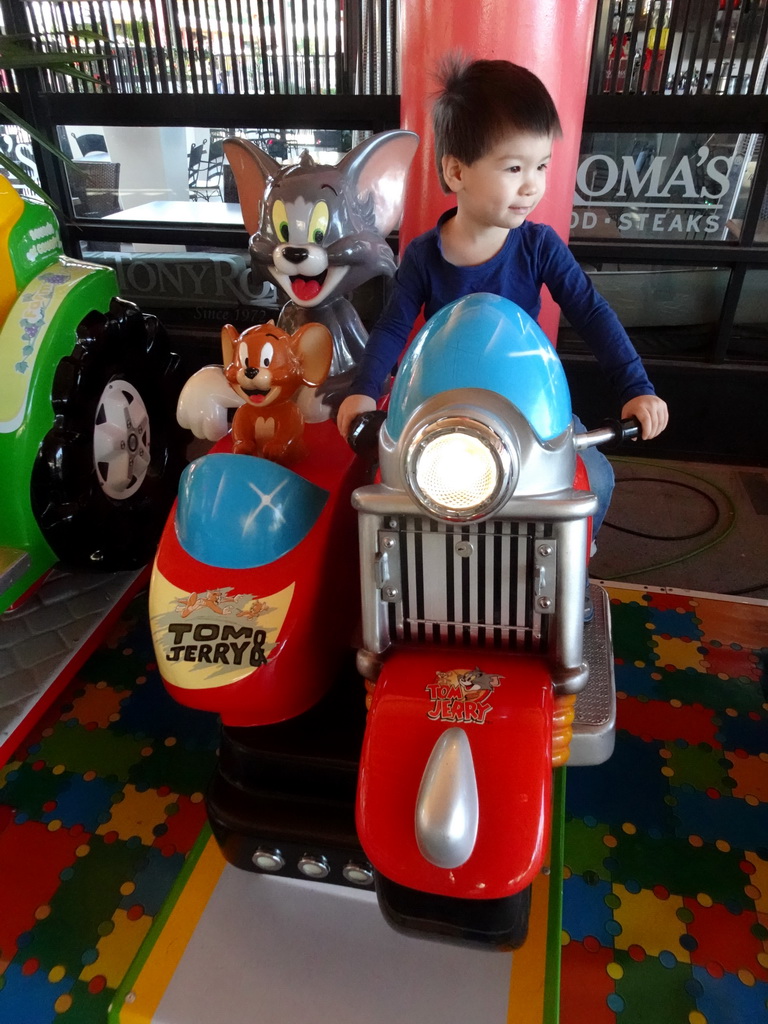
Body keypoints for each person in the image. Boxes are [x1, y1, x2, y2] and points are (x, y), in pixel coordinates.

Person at [336, 57, 668, 612]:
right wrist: (364, 391)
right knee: (386, 485)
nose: (533, 186)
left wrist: (637, 386)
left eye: (541, 166)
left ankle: (568, 571)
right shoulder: (422, 256)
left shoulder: (539, 246)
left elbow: (591, 310)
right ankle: (399, 591)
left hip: (530, 414)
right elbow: (394, 325)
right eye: (514, 168)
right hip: (441, 415)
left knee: (598, 480)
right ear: (457, 171)